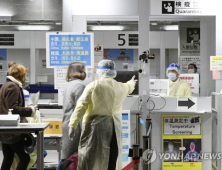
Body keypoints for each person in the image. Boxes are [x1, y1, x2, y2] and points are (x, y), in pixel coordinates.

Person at [68, 60, 136, 170]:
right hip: (115, 128)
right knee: (112, 157)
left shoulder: (94, 86)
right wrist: (132, 82)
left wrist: (72, 125)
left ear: (100, 73)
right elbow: (129, 87)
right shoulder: (120, 87)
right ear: (113, 73)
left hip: (96, 129)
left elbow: (81, 106)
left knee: (92, 158)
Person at [0, 64, 37, 170]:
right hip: (13, 130)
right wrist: (31, 110)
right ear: (21, 75)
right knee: (25, 158)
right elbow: (14, 109)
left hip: (5, 130)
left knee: (8, 158)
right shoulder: (13, 87)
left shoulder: (6, 85)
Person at [57, 62, 86, 170]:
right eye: (84, 69)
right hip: (75, 126)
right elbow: (81, 109)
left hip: (67, 123)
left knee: (67, 156)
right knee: (71, 158)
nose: (85, 72)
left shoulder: (69, 84)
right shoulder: (79, 85)